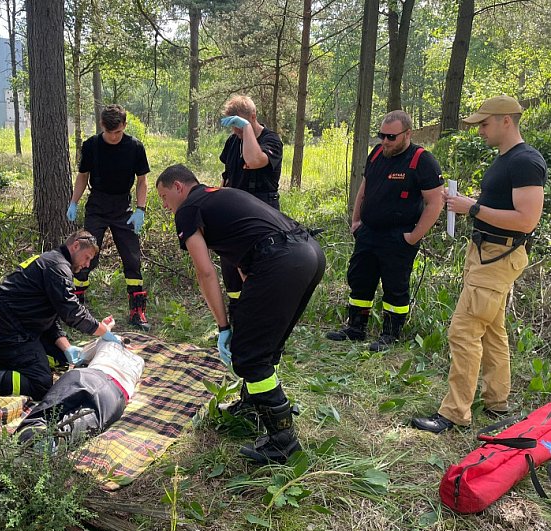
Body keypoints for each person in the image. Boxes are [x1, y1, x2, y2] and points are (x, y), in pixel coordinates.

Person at [155, 164, 325, 464]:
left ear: (179, 186)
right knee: (263, 344)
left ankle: (282, 440)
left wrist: (223, 326)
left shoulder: (189, 208)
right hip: (308, 252)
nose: (166, 207)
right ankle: (254, 404)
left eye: (165, 197)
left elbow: (205, 272)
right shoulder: (220, 196)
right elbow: (247, 255)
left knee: (250, 356)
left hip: (281, 260)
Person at [412, 95, 547, 434]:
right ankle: (497, 402)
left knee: (464, 330)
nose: (480, 131)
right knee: (491, 330)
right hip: (486, 252)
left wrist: (471, 208)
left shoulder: (526, 161)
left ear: (506, 120)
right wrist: (463, 204)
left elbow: (527, 220)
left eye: (484, 124)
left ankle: (455, 412)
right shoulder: (506, 159)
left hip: (499, 256)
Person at [325, 110, 444, 351]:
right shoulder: (377, 153)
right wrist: (356, 220)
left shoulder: (422, 161)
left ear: (407, 134)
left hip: (399, 236)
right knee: (360, 279)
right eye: (382, 135)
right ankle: (356, 328)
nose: (385, 141)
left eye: (391, 137)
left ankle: (390, 334)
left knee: (395, 285)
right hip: (369, 232)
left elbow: (435, 202)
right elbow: (364, 187)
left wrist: (413, 237)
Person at [0, 231, 123, 400]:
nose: (87, 264)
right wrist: (102, 330)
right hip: (7, 335)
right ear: (75, 246)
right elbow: (72, 313)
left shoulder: (53, 261)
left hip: (15, 328)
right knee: (41, 385)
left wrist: (66, 348)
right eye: (87, 257)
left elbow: (48, 318)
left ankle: (1, 362)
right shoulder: (57, 268)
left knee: (62, 358)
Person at [67, 104, 151, 330]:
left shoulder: (134, 147)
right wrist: (74, 202)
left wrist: (140, 209)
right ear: (102, 126)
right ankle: (76, 306)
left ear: (124, 126)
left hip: (123, 208)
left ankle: (137, 309)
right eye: (110, 132)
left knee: (132, 258)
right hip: (97, 205)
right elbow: (83, 176)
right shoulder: (92, 146)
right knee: (86, 257)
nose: (114, 137)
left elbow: (142, 181)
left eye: (118, 132)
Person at [218, 95, 284, 318]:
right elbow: (227, 176)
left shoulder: (271, 141)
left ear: (252, 117)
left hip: (261, 211)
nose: (235, 130)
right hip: (234, 209)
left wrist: (246, 129)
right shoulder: (233, 142)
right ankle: (236, 317)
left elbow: (255, 160)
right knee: (230, 264)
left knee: (258, 265)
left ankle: (261, 318)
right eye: (232, 125)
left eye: (238, 124)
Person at [16, 338, 144, 452]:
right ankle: (57, 440)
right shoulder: (139, 361)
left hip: (88, 375)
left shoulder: (108, 342)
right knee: (87, 419)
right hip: (115, 394)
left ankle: (33, 428)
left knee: (51, 406)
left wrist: (105, 335)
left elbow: (82, 355)